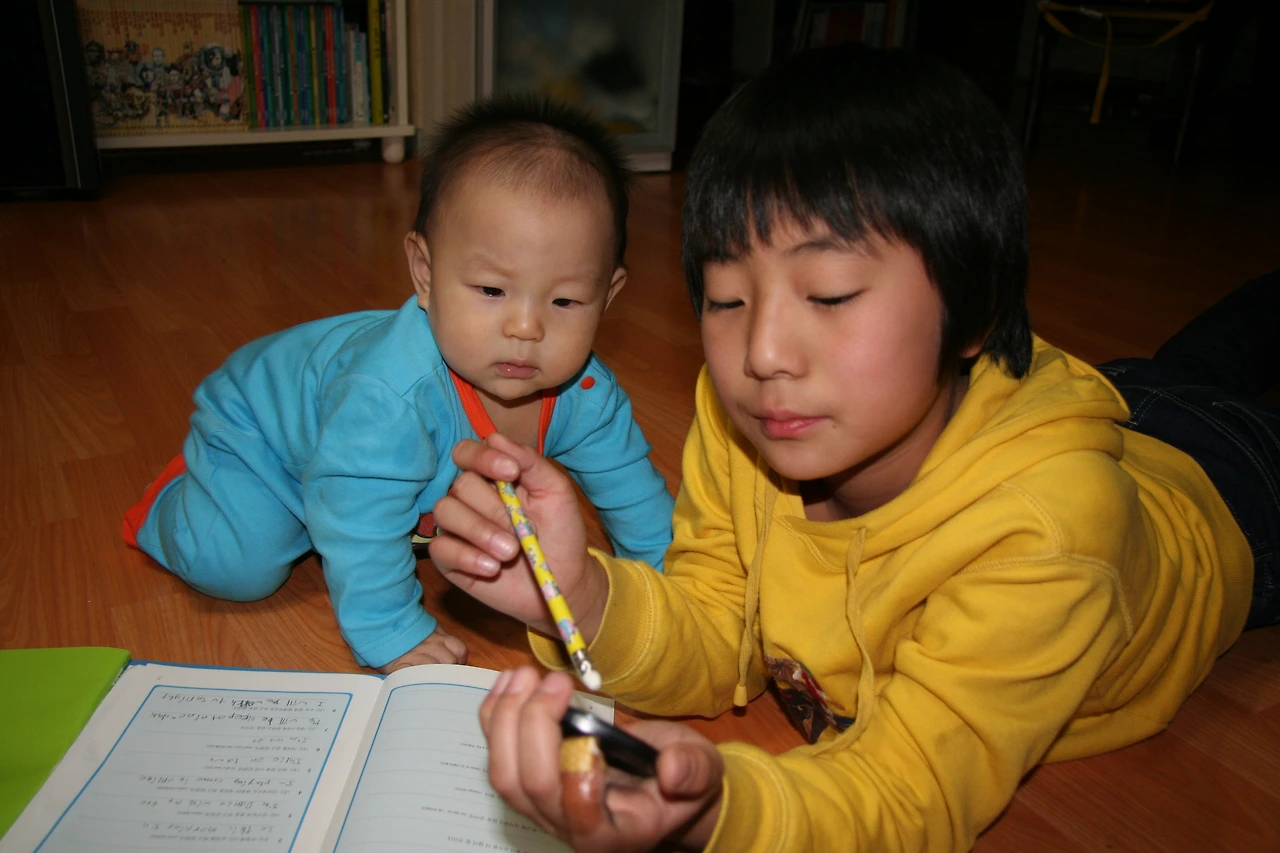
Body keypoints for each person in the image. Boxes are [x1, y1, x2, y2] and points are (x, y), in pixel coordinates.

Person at [426, 44, 1280, 853]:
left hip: (1231, 486)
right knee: (1196, 360)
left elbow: (911, 788)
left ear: (977, 311)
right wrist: (577, 596)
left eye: (829, 294)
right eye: (727, 299)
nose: (763, 352)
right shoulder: (751, 414)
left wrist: (722, 809)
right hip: (1099, 397)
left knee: (1213, 379)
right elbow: (719, 628)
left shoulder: (1050, 535)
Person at [121, 94, 675, 673]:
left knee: (474, 531)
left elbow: (636, 500)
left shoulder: (588, 397)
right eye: (492, 291)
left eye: (565, 301)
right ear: (425, 273)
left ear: (607, 296)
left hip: (350, 462)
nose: (525, 327)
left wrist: (672, 595)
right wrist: (392, 631)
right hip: (260, 439)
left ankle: (343, 503)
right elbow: (358, 523)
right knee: (239, 568)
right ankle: (176, 498)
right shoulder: (390, 397)